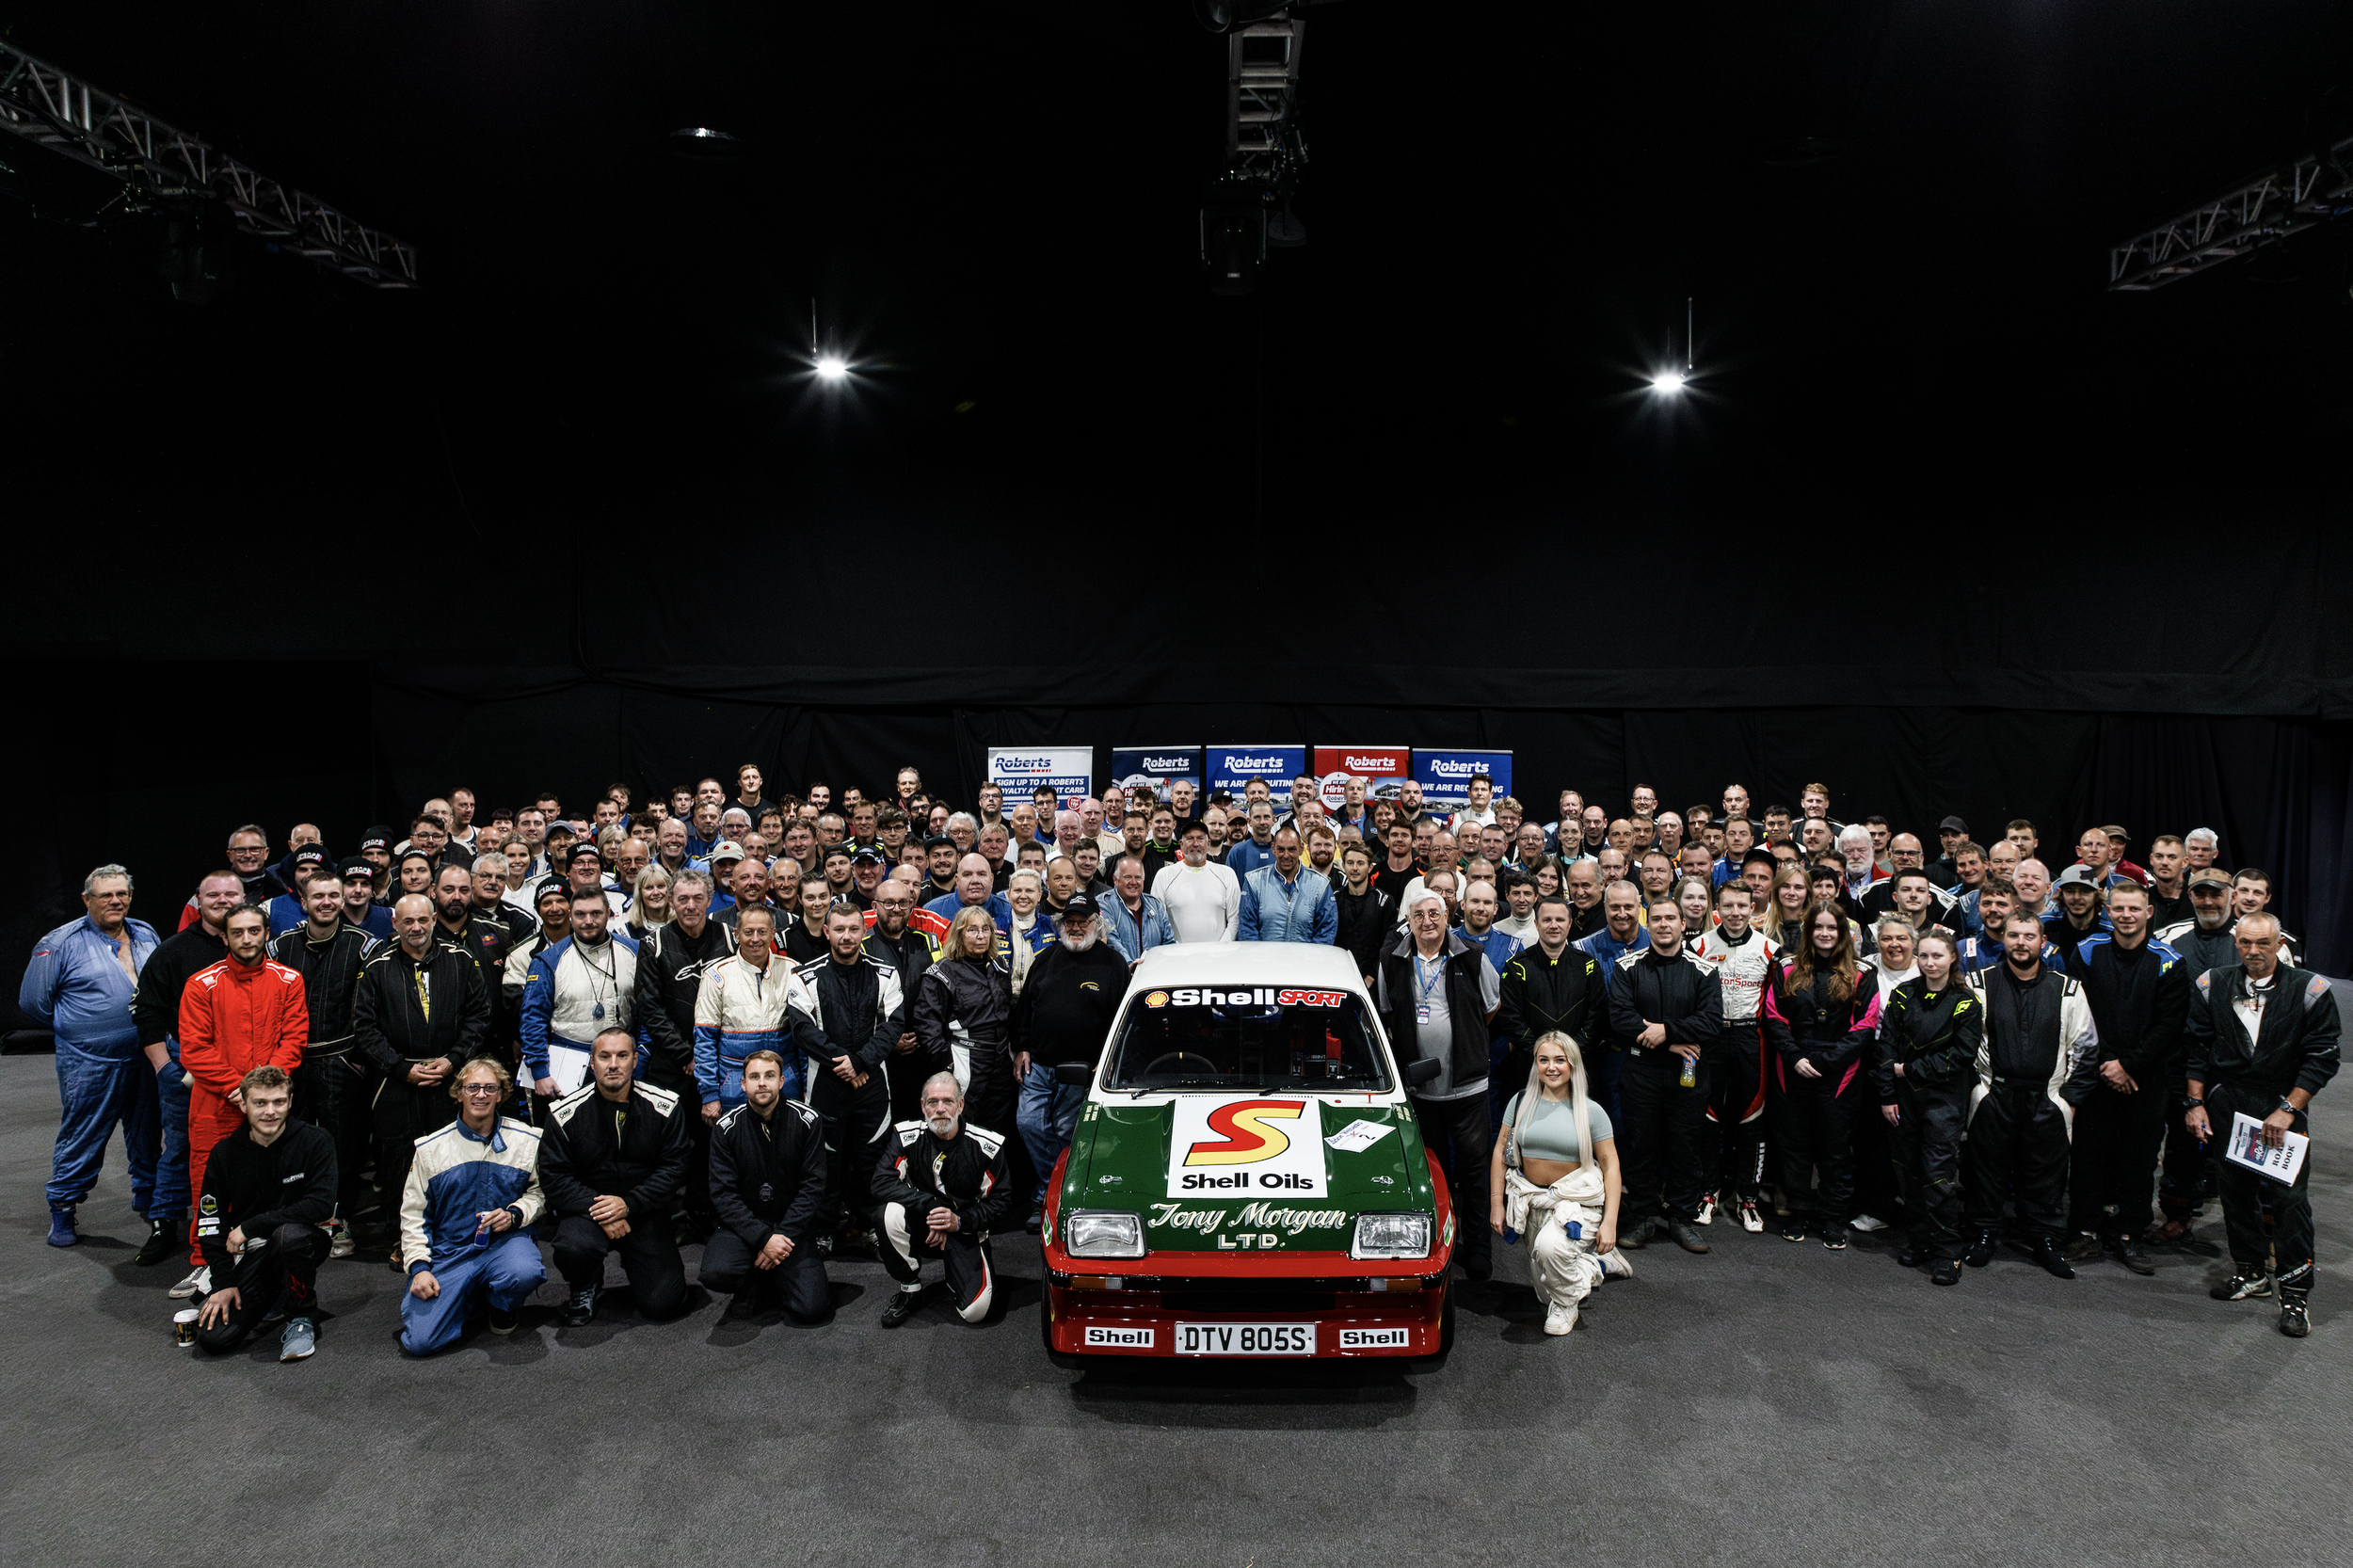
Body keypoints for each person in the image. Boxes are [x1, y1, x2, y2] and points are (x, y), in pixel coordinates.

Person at [2185, 913, 2340, 1337]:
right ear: (2236, 942)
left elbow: (2323, 1056)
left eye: (2263, 944)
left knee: (2289, 1203)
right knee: (2235, 1193)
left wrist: (2289, 1107)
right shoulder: (2212, 984)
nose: (2253, 952)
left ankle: (2295, 1293)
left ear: (2279, 944)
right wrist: (2196, 1102)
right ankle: (2251, 1272)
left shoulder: (2311, 988)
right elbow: (2196, 1046)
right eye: (2245, 943)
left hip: (2280, 1103)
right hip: (2227, 1101)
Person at [25, 865, 163, 1253]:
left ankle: (147, 1193)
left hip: (148, 1054)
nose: (116, 901)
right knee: (83, 1135)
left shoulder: (145, 932)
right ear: (87, 900)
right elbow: (33, 1002)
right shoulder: (60, 941)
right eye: (106, 895)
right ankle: (64, 1208)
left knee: (148, 1130)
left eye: (122, 893)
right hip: (90, 1062)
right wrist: (85, 1028)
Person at [354, 893, 493, 1271]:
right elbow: (363, 1028)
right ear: (395, 924)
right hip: (397, 1080)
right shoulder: (377, 967)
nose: (415, 928)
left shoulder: (461, 961)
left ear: (433, 919)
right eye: (407, 922)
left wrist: (453, 1060)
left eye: (422, 920)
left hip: (451, 1077)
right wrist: (400, 1068)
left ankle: (454, 1232)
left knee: (454, 1158)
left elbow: (480, 1015)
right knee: (400, 1163)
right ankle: (405, 1238)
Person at [1960, 912, 2101, 1280]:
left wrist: (2067, 1099)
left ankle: (2045, 1240)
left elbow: (2086, 1048)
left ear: (2043, 942)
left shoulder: (2068, 988)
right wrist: (1978, 1090)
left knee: (2046, 1177)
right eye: (2014, 935)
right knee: (1985, 1173)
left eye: (2029, 936)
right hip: (1994, 1094)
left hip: (2048, 1099)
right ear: (2002, 939)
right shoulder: (1978, 983)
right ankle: (1984, 1233)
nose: (2021, 942)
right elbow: (1963, 1044)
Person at [177, 904, 310, 1275]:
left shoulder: (289, 980)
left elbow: (294, 1039)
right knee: (208, 1181)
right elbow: (194, 1048)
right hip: (215, 1103)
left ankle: (263, 1253)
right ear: (225, 936)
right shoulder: (202, 983)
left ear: (267, 933)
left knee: (270, 1176)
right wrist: (240, 1089)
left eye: (254, 931)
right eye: (238, 932)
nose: (247, 939)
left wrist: (260, 1092)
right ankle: (207, 1261)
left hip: (269, 1104)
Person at [2063, 882, 2187, 1275]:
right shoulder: (2085, 952)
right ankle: (2085, 1231)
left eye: (2135, 909)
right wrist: (2107, 1063)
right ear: (2108, 911)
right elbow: (2076, 1013)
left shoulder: (2170, 961)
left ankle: (2129, 1233)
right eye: (2119, 909)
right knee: (2088, 1155)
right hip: (2094, 1072)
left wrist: (2128, 1065)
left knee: (2139, 1157)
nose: (2127, 915)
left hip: (2145, 1079)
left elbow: (2169, 1026)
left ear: (2149, 913)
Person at [1376, 889, 1498, 1282]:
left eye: (1435, 913)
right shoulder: (1391, 962)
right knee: (1434, 1173)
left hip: (1468, 1087)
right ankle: (1441, 1244)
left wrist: (1460, 1042)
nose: (1427, 921)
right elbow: (1388, 1012)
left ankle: (1479, 1249)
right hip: (1421, 1091)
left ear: (1448, 916)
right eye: (1418, 915)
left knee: (1474, 1170)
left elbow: (1492, 1008)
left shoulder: (1472, 957)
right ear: (1407, 920)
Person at [132, 870, 244, 1290]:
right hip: (189, 1071)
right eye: (212, 894)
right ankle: (165, 1226)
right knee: (181, 1149)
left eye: (231, 893)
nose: (222, 900)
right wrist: (166, 1069)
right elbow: (146, 1012)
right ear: (198, 900)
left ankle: (239, 1233)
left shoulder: (257, 945)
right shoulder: (173, 951)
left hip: (244, 1071)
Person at [539, 1027, 694, 1327]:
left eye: (622, 1055)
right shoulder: (563, 1113)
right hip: (588, 1211)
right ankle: (585, 1284)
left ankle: (644, 1273)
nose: (613, 1064)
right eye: (605, 1056)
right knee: (572, 1248)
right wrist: (605, 1210)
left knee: (664, 1305)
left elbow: (676, 1168)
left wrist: (629, 1204)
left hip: (644, 1209)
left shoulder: (666, 1106)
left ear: (635, 1060)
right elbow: (554, 1177)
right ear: (592, 1062)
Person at [397, 1057, 547, 1354]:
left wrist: (516, 1215)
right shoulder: (430, 1149)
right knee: (421, 1343)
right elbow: (413, 1215)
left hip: (503, 1244)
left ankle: (499, 1304)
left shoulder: (529, 1140)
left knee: (524, 1270)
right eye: (473, 1087)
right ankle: (470, 1293)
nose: (481, 1095)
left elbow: (541, 1195)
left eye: (490, 1088)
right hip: (449, 1252)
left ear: (501, 1094)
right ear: (458, 1093)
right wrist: (419, 1268)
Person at [190, 1064, 335, 1360]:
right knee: (214, 1339)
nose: (270, 1111)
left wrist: (251, 1226)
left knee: (288, 1236)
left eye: (278, 1102)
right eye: (260, 1103)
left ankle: (302, 1316)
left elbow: (320, 1204)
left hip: (303, 1241)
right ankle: (275, 1298)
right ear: (243, 1104)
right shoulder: (225, 1152)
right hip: (252, 1255)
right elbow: (210, 1220)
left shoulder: (316, 1141)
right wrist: (223, 1281)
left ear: (290, 1102)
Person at [268, 869, 376, 1257]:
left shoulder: (365, 945)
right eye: (318, 896)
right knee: (287, 1142)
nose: (327, 902)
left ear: (344, 899)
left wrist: (361, 1060)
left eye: (334, 895)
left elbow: (374, 1010)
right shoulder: (279, 947)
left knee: (341, 1148)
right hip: (288, 1064)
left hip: (340, 1060)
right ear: (303, 901)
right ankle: (291, 1216)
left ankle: (338, 1217)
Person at [1604, 901, 1722, 1254]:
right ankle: (1642, 1218)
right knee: (1641, 1145)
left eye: (1671, 918)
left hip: (1688, 1075)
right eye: (1656, 919)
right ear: (1648, 924)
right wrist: (1670, 1042)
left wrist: (1665, 1030)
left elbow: (1711, 1021)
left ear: (1684, 923)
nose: (1664, 924)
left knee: (1685, 1147)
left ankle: (1682, 1219)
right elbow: (1620, 1020)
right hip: (1641, 1071)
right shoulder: (1627, 967)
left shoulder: (1704, 971)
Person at [1761, 905, 1881, 1249]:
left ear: (1843, 932)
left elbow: (1865, 1027)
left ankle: (1833, 1219)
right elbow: (1773, 1016)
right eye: (1819, 927)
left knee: (1836, 1151)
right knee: (1795, 1147)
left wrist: (1828, 1062)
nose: (1825, 934)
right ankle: (1798, 1213)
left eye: (1832, 928)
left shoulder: (1863, 972)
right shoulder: (1785, 967)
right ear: (1809, 931)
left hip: (1840, 1074)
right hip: (1792, 1068)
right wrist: (1795, 1056)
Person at [1489, 1032, 1624, 1335]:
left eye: (1560, 1060)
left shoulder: (1592, 1112)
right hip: (1532, 1200)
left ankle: (1567, 1307)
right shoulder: (1520, 1101)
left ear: (1573, 1065)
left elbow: (1611, 1165)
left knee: (1551, 1251)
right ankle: (1595, 1265)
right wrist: (1497, 1202)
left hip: (1578, 1203)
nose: (1552, 1067)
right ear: (1535, 1064)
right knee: (1545, 1290)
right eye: (1544, 1060)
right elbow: (1500, 1150)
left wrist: (1610, 1222)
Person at [790, 901, 904, 1245]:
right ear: (826, 932)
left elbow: (894, 1024)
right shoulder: (804, 976)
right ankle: (824, 1228)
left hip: (872, 1083)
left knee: (870, 1156)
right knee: (826, 1161)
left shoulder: (886, 972)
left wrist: (862, 1061)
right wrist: (845, 1061)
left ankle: (868, 1223)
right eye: (839, 929)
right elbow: (801, 1028)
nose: (846, 936)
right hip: (825, 1082)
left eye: (854, 929)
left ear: (864, 931)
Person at [1010, 894, 1127, 1231]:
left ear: (1096, 923)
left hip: (1082, 1070)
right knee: (1028, 1124)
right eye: (1070, 922)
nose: (1076, 927)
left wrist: (1105, 1063)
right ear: (1061, 925)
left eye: (1083, 921)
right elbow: (1024, 1012)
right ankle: (1051, 1188)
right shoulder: (1045, 959)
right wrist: (1021, 1047)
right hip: (1039, 1065)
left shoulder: (1113, 964)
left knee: (1065, 1132)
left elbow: (1121, 1022)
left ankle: (1052, 1197)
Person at [1874, 928, 1980, 1285]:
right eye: (1924, 956)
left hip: (1944, 1101)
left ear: (1953, 958)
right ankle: (1920, 1239)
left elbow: (1961, 1057)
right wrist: (1888, 1093)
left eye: (1937, 956)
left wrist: (1909, 1069)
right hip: (1903, 1100)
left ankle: (1948, 1251)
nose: (1930, 963)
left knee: (1938, 1176)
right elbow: (1886, 1047)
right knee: (1909, 1172)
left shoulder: (1966, 1002)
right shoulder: (1903, 995)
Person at [873, 1072, 1016, 1328]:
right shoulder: (905, 1135)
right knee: (888, 1213)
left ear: (960, 1105)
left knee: (975, 1312)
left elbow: (1001, 1202)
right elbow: (881, 1183)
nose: (940, 1109)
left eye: (948, 1101)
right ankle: (909, 1286)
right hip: (923, 1224)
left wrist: (958, 1221)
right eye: (933, 1102)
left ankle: (957, 1271)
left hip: (965, 1229)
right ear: (922, 1106)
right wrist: (931, 1207)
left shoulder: (988, 1146)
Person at [702, 1049, 834, 1322]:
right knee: (716, 1272)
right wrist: (763, 1238)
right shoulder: (726, 1128)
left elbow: (812, 1188)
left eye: (769, 1076)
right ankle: (754, 1278)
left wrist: (781, 1238)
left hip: (792, 1229)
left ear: (782, 1081)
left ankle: (772, 1274)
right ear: (743, 1084)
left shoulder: (808, 1121)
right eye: (754, 1076)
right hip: (744, 1228)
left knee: (811, 1309)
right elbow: (723, 1194)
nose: (762, 1083)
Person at [1690, 879, 1776, 1232]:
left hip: (1750, 1036)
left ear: (1753, 908)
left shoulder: (1771, 949)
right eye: (1728, 907)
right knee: (1708, 1115)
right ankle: (1708, 1192)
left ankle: (1748, 1198)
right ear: (1717, 910)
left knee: (1751, 1116)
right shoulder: (1698, 946)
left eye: (1742, 906)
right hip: (1710, 1037)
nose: (1736, 913)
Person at [520, 888, 641, 1098]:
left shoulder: (635, 951)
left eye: (596, 913)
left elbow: (648, 1012)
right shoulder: (548, 960)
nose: (588, 921)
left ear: (609, 913)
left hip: (621, 1060)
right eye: (580, 914)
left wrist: (642, 1060)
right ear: (570, 916)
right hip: (566, 1060)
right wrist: (539, 1071)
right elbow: (533, 1018)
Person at [912, 904, 1016, 1140]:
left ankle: (991, 1174)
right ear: (959, 933)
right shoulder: (941, 972)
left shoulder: (999, 966)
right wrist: (948, 1062)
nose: (980, 936)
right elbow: (927, 1024)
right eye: (972, 930)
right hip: (965, 1057)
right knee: (963, 1122)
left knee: (999, 1124)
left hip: (1001, 1058)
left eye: (985, 929)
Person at [1237, 826, 1338, 944]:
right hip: (1265, 960)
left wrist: (1311, 959)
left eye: (1291, 849)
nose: (1286, 855)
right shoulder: (1254, 881)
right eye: (1281, 849)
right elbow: (1247, 930)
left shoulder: (1321, 884)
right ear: (1273, 848)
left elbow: (1326, 932)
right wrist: (1261, 959)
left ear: (1301, 849)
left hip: (1307, 961)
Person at [1151, 820, 1241, 942]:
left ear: (1208, 844)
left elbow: (1234, 919)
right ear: (1181, 845)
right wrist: (1175, 950)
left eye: (1200, 838)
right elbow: (1157, 921)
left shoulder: (1226, 874)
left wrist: (1220, 949)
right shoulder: (1164, 875)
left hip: (1218, 957)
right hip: (1176, 957)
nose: (1195, 844)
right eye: (1189, 839)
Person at [1098, 855, 1175, 964]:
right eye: (1127, 877)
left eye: (1138, 877)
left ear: (1143, 879)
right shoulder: (1104, 904)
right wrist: (1129, 965)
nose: (1133, 882)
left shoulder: (1157, 906)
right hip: (1120, 975)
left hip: (1153, 975)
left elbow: (1169, 945)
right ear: (1115, 879)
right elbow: (1112, 942)